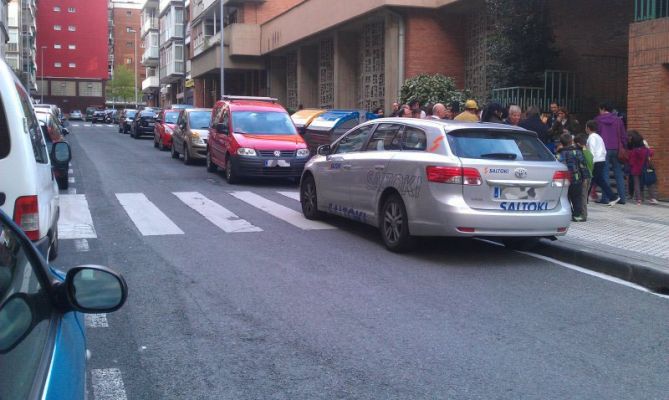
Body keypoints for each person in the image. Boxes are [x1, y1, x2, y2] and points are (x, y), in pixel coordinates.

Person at [595, 102, 628, 204]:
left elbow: (596, 135)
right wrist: (624, 147)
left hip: (603, 149)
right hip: (616, 149)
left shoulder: (598, 120)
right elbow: (623, 135)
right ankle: (622, 198)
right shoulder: (618, 120)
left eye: (600, 110)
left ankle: (606, 198)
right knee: (618, 173)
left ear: (603, 108)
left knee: (605, 173)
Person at [557, 133, 590, 222]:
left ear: (561, 143)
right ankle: (577, 215)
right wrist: (585, 178)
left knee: (566, 198)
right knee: (577, 198)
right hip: (577, 179)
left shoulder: (560, 153)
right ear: (571, 142)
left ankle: (568, 213)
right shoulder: (577, 152)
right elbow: (582, 165)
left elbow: (559, 166)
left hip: (565, 181)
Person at [585, 120, 619, 206]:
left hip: (595, 161)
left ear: (588, 128)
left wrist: (589, 161)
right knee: (600, 180)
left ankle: (584, 199)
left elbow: (591, 150)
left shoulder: (591, 137)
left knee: (591, 180)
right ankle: (613, 197)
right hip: (601, 160)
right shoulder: (599, 137)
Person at [627, 130, 659, 205]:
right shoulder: (646, 150)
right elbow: (651, 153)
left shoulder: (633, 151)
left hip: (635, 169)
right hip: (645, 168)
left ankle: (639, 200)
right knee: (649, 182)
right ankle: (652, 198)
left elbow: (631, 161)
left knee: (637, 183)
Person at [575, 133, 593, 221]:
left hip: (585, 177)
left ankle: (583, 215)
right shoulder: (588, 152)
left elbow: (587, 163)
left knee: (583, 196)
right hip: (589, 176)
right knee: (583, 196)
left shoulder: (584, 153)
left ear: (578, 144)